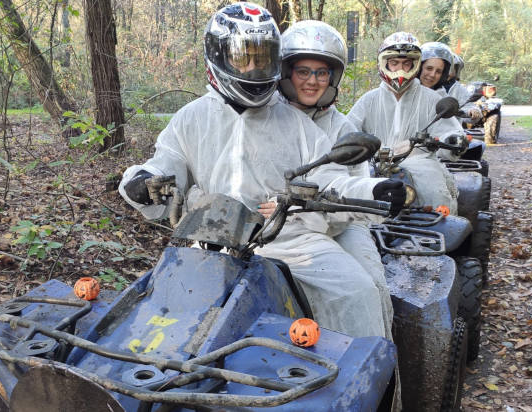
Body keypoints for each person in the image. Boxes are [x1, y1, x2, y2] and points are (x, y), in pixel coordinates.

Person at [119, 3, 402, 339]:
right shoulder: (191, 118)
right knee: (157, 313)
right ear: (219, 56)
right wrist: (139, 181)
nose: (254, 69)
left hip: (292, 240)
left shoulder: (294, 121)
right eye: (243, 58)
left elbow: (329, 179)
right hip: (211, 241)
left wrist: (372, 190)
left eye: (263, 58)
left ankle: (372, 385)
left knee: (358, 292)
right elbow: (166, 164)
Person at [272, 19, 397, 341]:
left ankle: (376, 370)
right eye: (303, 71)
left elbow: (351, 184)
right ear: (286, 73)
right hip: (278, 222)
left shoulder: (341, 127)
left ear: (333, 77)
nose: (312, 81)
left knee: (369, 288)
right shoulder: (264, 117)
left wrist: (376, 192)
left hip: (343, 221)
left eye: (321, 73)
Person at [346, 32, 463, 214]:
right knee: (351, 209)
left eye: (406, 63)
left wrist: (454, 140)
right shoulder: (368, 100)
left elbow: (449, 131)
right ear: (384, 63)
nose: (401, 69)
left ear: (415, 64)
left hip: (422, 167)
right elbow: (348, 131)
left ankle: (437, 238)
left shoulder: (432, 99)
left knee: (439, 204)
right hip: (373, 164)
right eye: (395, 63)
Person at [419, 42, 481, 122]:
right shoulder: (409, 88)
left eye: (439, 71)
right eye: (429, 68)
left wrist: (472, 112)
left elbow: (468, 108)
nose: (432, 74)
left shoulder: (445, 91)